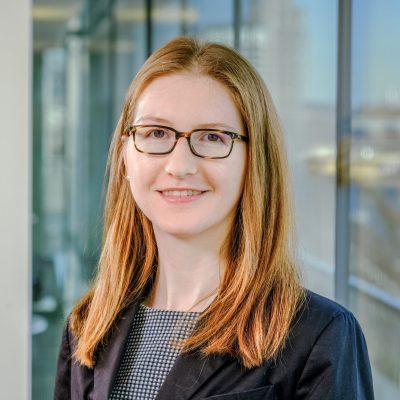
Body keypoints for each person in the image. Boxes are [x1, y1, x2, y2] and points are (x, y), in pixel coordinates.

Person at [53, 35, 374, 400]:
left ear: (254, 162)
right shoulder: (87, 326)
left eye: (212, 137)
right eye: (156, 133)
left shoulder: (319, 336)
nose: (180, 166)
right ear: (126, 156)